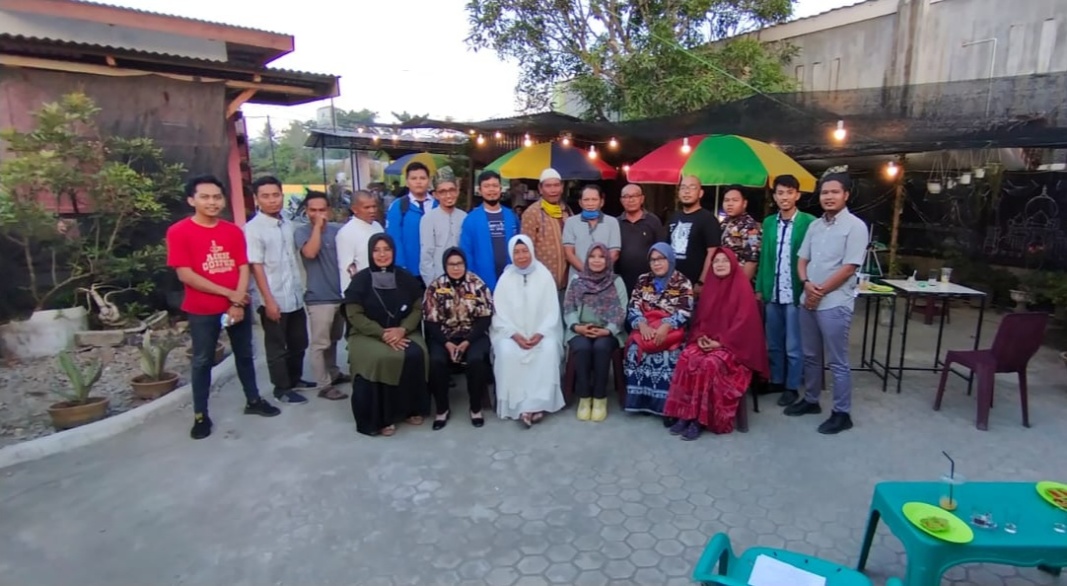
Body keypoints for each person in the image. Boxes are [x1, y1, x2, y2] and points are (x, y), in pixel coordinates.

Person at [166, 175, 280, 440]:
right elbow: (185, 274)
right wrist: (230, 294)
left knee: (245, 354)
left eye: (217, 197)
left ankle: (253, 400)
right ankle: (201, 415)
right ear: (191, 200)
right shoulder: (179, 232)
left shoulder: (232, 231)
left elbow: (242, 266)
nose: (212, 202)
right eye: (205, 197)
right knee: (202, 360)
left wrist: (237, 301)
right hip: (203, 309)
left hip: (237, 306)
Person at [784, 173, 868, 435]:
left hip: (834, 303)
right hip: (808, 298)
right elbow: (802, 259)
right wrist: (806, 283)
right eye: (824, 192)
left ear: (846, 195)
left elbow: (849, 267)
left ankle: (842, 413)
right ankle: (811, 400)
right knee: (810, 354)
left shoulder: (855, 227)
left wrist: (820, 291)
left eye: (834, 192)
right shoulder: (815, 226)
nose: (829, 197)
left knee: (837, 360)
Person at [664, 248, 768, 440]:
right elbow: (701, 321)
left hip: (735, 349)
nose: (720, 264)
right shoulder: (710, 287)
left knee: (709, 363)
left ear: (733, 264)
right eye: (716, 261)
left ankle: (700, 420)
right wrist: (701, 337)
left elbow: (744, 326)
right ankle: (685, 414)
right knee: (687, 356)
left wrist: (720, 343)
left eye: (724, 261)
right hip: (709, 341)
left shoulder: (742, 288)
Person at [344, 234, 430, 436]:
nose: (382, 254)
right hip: (367, 334)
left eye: (387, 249)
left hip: (403, 329)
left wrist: (403, 329)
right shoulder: (360, 280)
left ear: (393, 251)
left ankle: (411, 409)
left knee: (416, 353)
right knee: (381, 358)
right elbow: (354, 315)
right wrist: (381, 333)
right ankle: (381, 418)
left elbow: (418, 308)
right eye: (376, 250)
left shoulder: (405, 277)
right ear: (370, 253)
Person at [245, 176, 311, 404]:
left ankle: (295, 379)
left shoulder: (288, 223)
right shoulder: (253, 229)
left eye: (276, 195)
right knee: (276, 347)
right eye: (266, 196)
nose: (272, 200)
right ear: (257, 199)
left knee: (299, 341)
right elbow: (256, 266)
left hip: (294, 295)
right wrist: (269, 300)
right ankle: (281, 389)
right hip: (273, 298)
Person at [491, 235, 566, 427]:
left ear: (532, 251)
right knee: (506, 351)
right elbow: (499, 314)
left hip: (541, 334)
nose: (521, 256)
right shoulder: (505, 279)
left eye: (525, 251)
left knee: (548, 349)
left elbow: (552, 311)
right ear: (511, 254)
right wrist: (514, 335)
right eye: (516, 252)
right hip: (512, 335)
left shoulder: (544, 276)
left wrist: (540, 333)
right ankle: (519, 406)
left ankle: (538, 404)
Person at [755, 175, 815, 407]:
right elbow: (764, 258)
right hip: (773, 291)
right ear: (775, 196)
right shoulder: (769, 222)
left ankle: (792, 386)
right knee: (773, 342)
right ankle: (777, 380)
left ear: (797, 195)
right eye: (780, 193)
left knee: (793, 345)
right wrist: (760, 288)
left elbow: (812, 257)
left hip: (795, 293)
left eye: (789, 192)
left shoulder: (809, 222)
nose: (784, 197)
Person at [424, 248, 495, 430]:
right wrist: (446, 343)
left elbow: (485, 318)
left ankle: (476, 408)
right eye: (451, 264)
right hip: (444, 337)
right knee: (436, 361)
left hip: (473, 336)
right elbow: (431, 321)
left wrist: (467, 341)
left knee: (476, 360)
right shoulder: (435, 287)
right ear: (445, 266)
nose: (456, 268)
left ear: (465, 264)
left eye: (459, 264)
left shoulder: (477, 284)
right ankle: (442, 409)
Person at [623, 243, 694, 419]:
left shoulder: (682, 282)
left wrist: (666, 325)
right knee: (634, 351)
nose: (657, 263)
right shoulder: (643, 280)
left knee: (670, 356)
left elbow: (685, 310)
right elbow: (633, 306)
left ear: (670, 259)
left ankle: (666, 406)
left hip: (671, 330)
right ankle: (641, 402)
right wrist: (641, 324)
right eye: (653, 260)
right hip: (645, 327)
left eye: (661, 259)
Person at [294, 191, 350, 401]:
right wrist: (317, 227)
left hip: (339, 295)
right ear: (306, 211)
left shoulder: (338, 230)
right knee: (320, 344)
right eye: (313, 210)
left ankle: (333, 373)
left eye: (322, 209)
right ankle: (323, 385)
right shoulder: (302, 232)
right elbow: (310, 253)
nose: (318, 214)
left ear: (330, 210)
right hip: (318, 298)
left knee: (334, 339)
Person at [563, 244, 628, 422]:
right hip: (579, 329)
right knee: (582, 347)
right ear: (587, 259)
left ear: (607, 260)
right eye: (592, 256)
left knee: (601, 347)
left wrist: (608, 330)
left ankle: (600, 398)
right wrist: (577, 327)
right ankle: (584, 398)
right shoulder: (577, 280)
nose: (596, 260)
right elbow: (569, 307)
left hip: (608, 330)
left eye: (601, 256)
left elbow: (622, 310)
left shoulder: (616, 281)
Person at [460, 170, 519, 291]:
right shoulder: (471, 220)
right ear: (480, 190)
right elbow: (466, 253)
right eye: (486, 186)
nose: (491, 189)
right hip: (482, 282)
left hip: (511, 280)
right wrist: (471, 281)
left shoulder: (511, 217)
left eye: (495, 185)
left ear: (500, 189)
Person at [668, 175, 724, 296]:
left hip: (695, 285)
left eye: (692, 187)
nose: (687, 191)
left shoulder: (708, 219)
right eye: (683, 187)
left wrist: (702, 282)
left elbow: (712, 252)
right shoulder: (674, 217)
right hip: (672, 284)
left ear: (700, 193)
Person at [521, 168, 572, 296]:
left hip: (567, 284)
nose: (553, 190)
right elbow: (526, 250)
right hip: (541, 285)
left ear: (562, 187)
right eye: (548, 186)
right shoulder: (532, 213)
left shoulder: (567, 211)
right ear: (540, 189)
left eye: (556, 185)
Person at [386, 162, 437, 274]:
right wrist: (400, 266)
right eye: (414, 178)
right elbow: (394, 239)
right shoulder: (398, 206)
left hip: (435, 269)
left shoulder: (438, 205)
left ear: (429, 181)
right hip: (409, 270)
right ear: (407, 182)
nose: (418, 182)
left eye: (422, 178)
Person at [562, 184, 621, 282]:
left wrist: (599, 272)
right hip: (578, 279)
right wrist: (587, 272)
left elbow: (614, 253)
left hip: (604, 279)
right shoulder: (571, 222)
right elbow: (569, 253)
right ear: (580, 203)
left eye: (594, 199)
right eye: (586, 200)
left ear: (601, 202)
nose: (590, 203)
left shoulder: (612, 222)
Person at [617, 184, 667, 293]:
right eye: (626, 196)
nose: (630, 200)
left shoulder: (653, 221)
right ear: (621, 200)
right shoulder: (615, 223)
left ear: (642, 199)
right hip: (621, 280)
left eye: (634, 196)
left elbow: (662, 251)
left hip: (649, 280)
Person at [419, 176, 467, 286]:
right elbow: (426, 256)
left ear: (457, 191)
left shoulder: (464, 217)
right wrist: (432, 285)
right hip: (438, 279)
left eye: (452, 190)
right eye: (443, 192)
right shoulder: (428, 219)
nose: (448, 195)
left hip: (462, 279)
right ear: (435, 195)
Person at [336, 190, 383, 294]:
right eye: (367, 207)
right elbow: (346, 268)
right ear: (354, 209)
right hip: (361, 291)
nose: (372, 211)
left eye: (374, 206)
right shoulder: (347, 232)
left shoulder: (377, 226)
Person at [720, 186, 762, 280]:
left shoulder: (751, 227)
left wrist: (741, 285)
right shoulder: (723, 223)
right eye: (726, 200)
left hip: (738, 279)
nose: (730, 204)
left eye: (735, 200)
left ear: (744, 203)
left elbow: (752, 260)